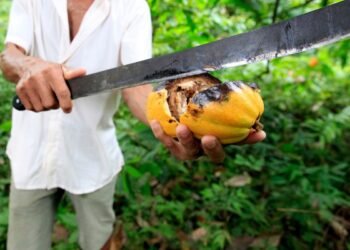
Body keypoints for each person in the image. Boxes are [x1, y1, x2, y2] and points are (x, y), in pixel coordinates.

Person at [0, 0, 266, 249]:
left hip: (93, 159)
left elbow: (136, 88)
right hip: (29, 156)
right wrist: (28, 66)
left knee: (101, 241)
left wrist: (175, 127)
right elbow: (10, 56)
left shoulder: (132, 8)